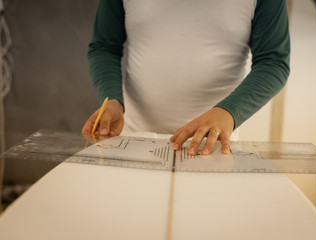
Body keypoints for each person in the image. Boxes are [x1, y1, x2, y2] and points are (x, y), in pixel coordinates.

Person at [82, 0, 290, 156]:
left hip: (213, 147)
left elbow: (273, 62)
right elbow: (104, 47)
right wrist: (112, 100)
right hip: (131, 140)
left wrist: (228, 112)